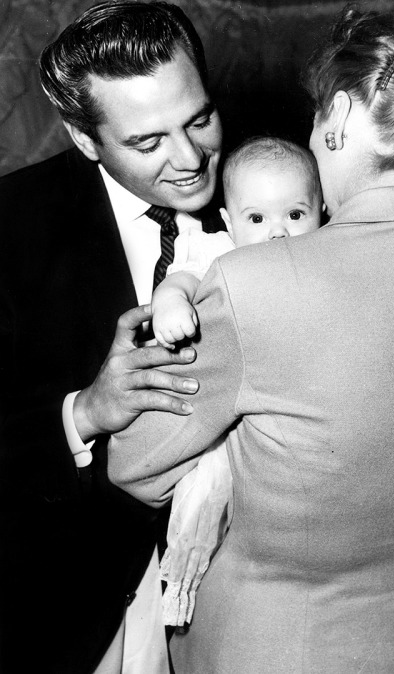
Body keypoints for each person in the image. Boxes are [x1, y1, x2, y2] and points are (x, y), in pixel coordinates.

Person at [109, 6, 394, 672]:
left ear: (342, 116)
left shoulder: (252, 282)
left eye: (319, 118)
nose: (314, 139)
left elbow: (135, 463)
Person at [0, 2, 226, 673]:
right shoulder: (11, 225)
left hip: (240, 612)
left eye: (199, 119)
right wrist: (84, 413)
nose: (190, 159)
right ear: (83, 136)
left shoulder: (276, 195)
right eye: (148, 141)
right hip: (66, 620)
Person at [153, 136, 323, 628]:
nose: (277, 234)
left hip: (294, 411)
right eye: (257, 219)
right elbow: (181, 278)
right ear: (228, 223)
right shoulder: (216, 249)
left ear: (323, 211)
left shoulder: (324, 257)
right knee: (209, 485)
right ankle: (183, 586)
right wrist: (171, 305)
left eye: (295, 215)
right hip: (228, 416)